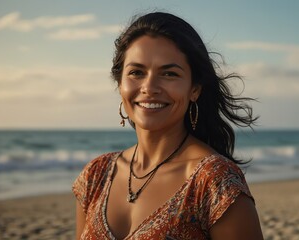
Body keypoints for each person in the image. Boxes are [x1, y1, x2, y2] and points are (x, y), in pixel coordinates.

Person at [72, 12, 263, 240]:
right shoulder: (95, 175)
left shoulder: (214, 181)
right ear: (120, 83)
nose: (149, 87)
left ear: (195, 89)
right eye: (136, 72)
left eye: (169, 74)